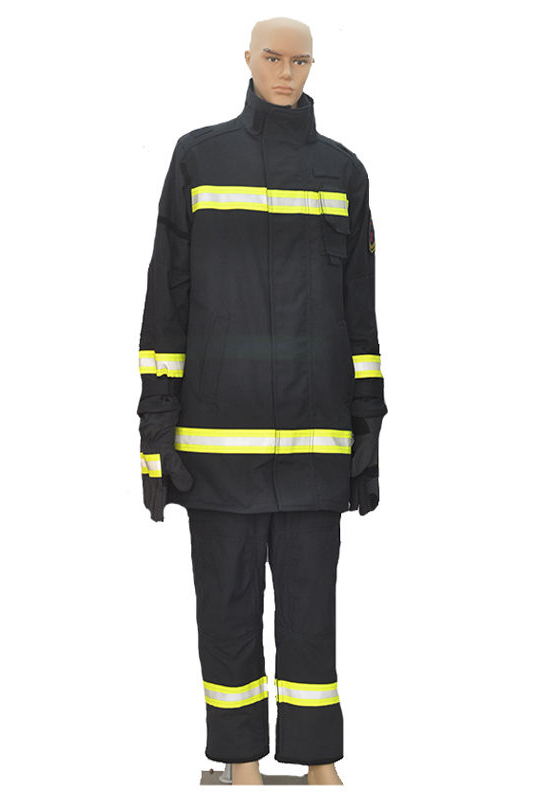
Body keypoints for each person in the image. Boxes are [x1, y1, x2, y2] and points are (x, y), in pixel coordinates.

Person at [137, 17, 387, 786]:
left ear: (313, 66)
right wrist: (156, 437)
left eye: (300, 61)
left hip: (315, 451)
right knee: (228, 609)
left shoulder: (342, 172)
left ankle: (319, 763)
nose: (286, 73)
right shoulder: (199, 159)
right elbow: (166, 305)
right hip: (216, 454)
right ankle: (239, 762)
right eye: (273, 58)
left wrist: (368, 438)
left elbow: (361, 318)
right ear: (247, 59)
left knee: (312, 612)